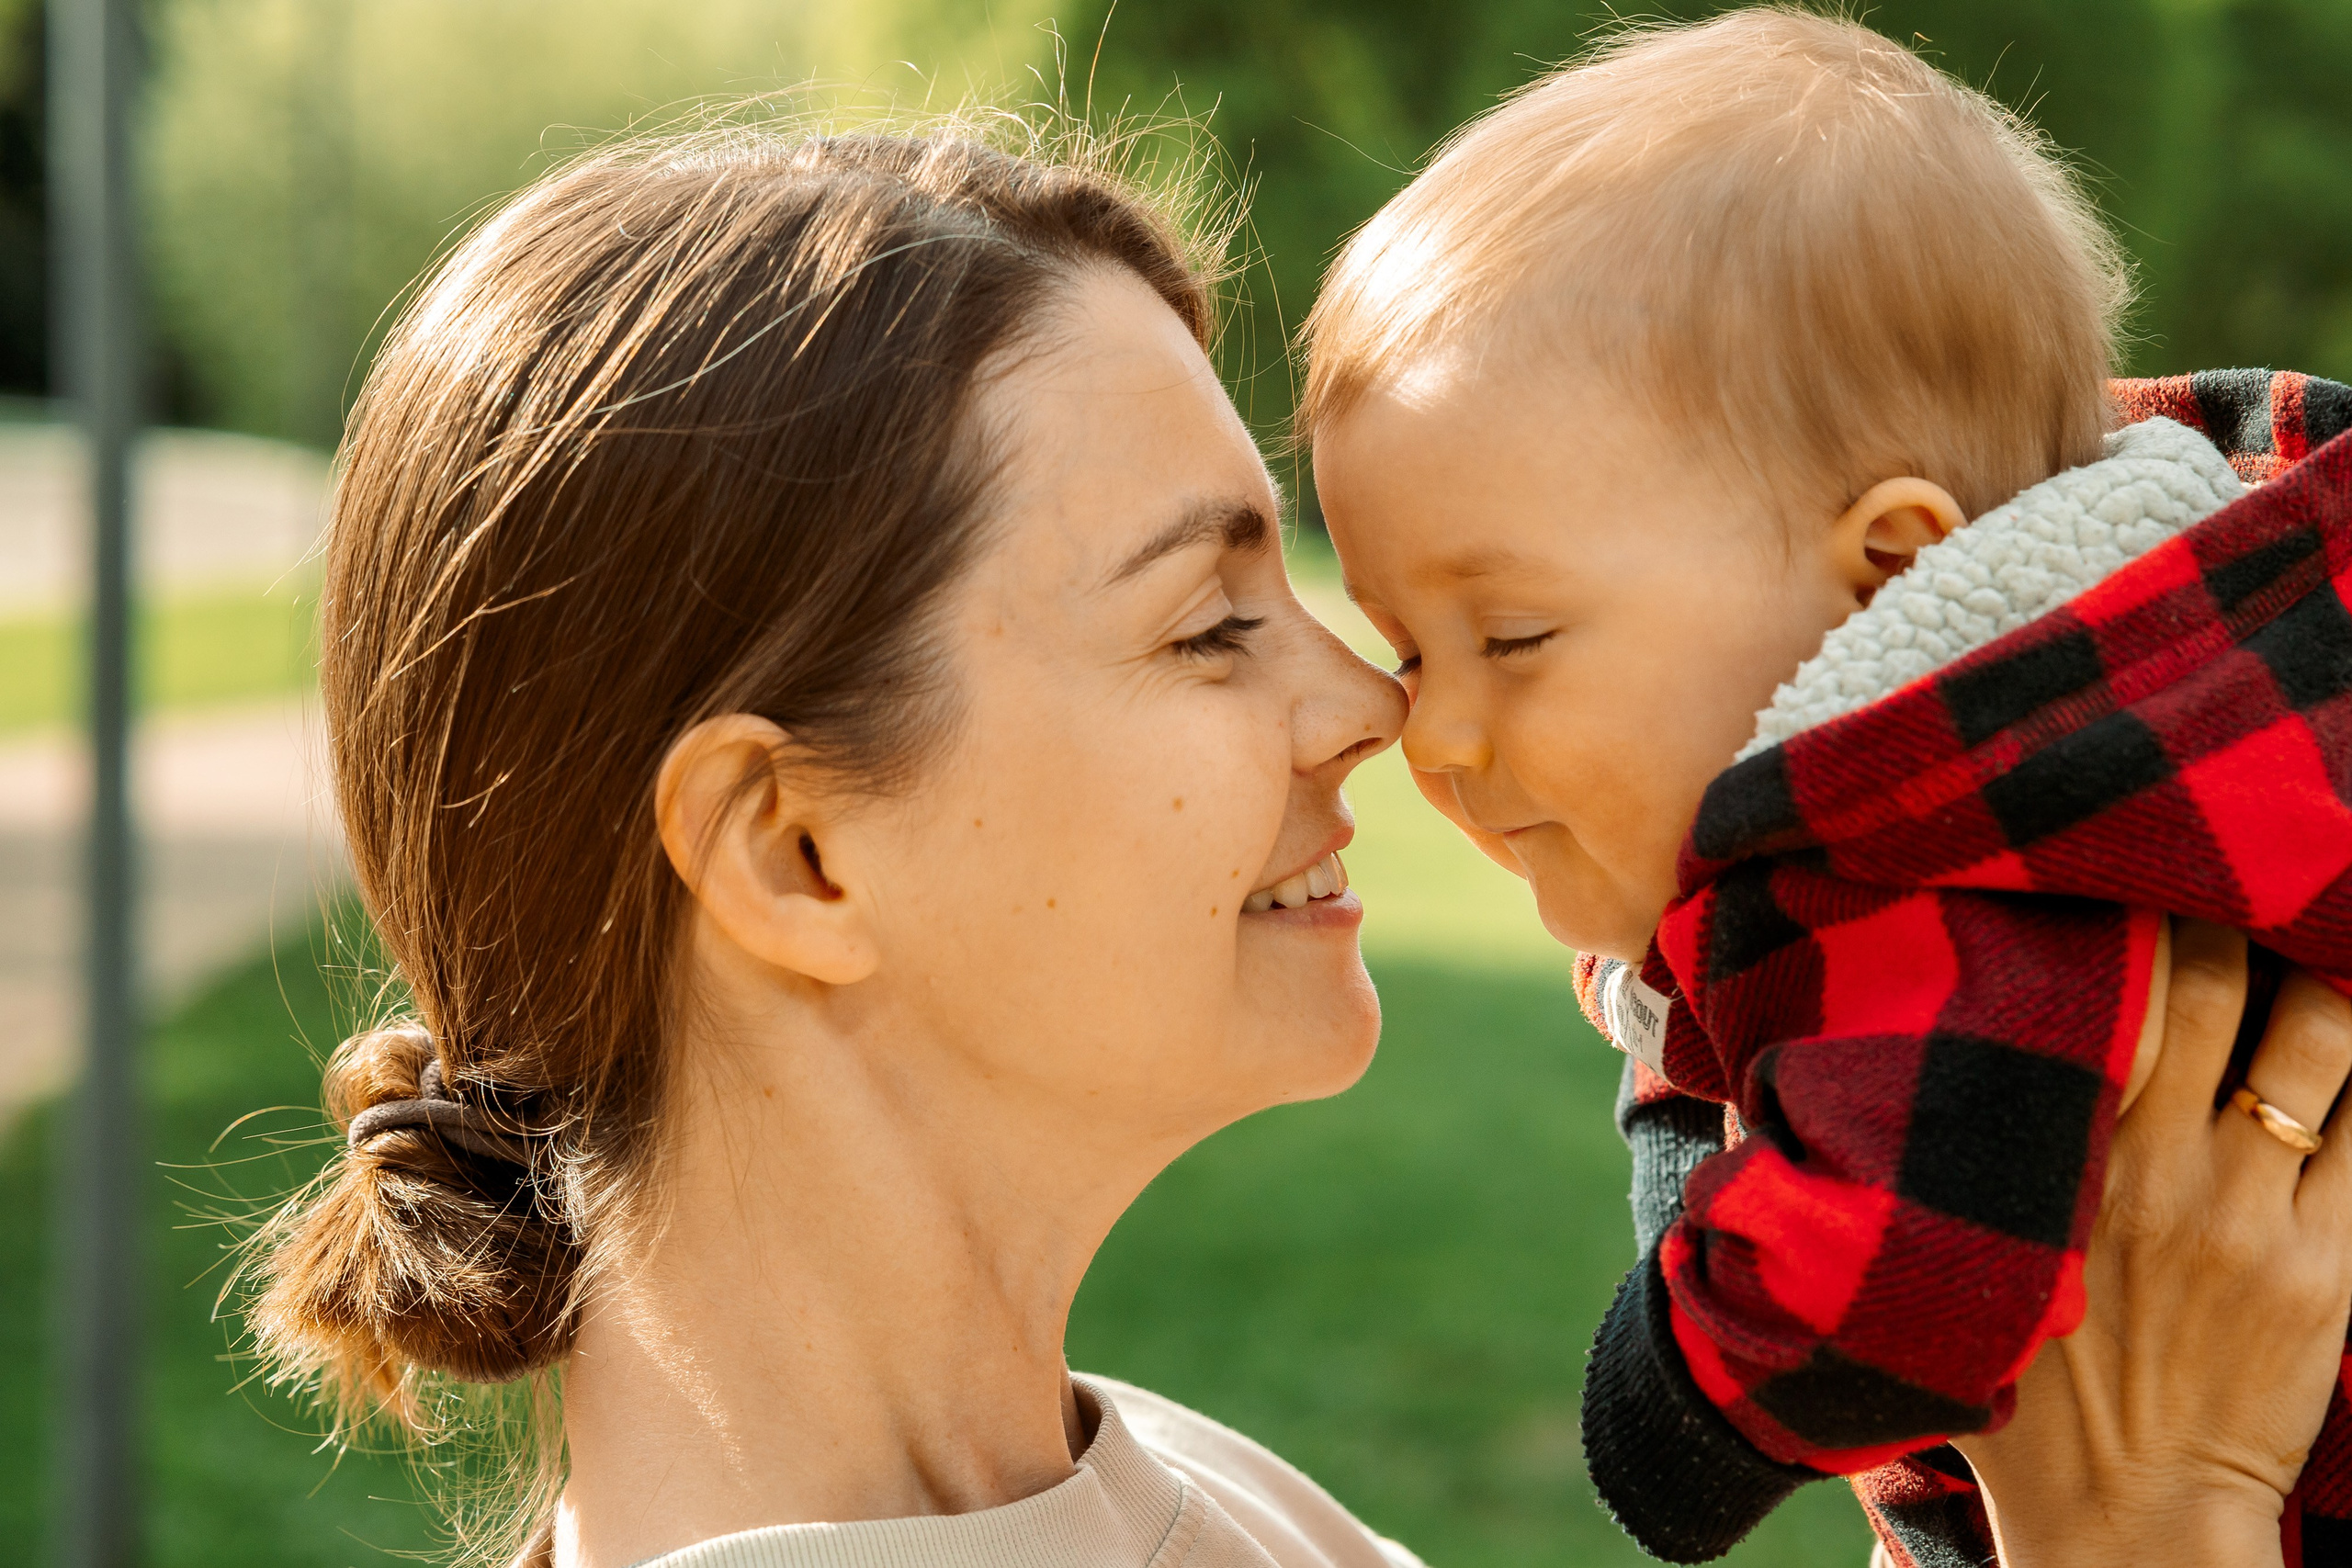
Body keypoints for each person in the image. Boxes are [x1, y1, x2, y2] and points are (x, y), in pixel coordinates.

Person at [243, 117, 2352, 1568]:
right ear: (797, 854)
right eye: (1204, 621)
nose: (1372, 707)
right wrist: (2149, 1506)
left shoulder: (1167, 1491)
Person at [1298, 8, 2352, 1564]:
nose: (1432, 735)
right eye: (1403, 647)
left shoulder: (1958, 837)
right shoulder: (2115, 691)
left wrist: (1664, 1414)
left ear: (1893, 573)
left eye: (1511, 636)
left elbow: (1900, 1272)